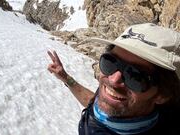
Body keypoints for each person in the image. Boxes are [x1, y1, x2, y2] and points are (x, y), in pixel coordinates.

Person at [47, 23, 180, 135]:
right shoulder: (117, 100)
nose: (113, 79)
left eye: (136, 75)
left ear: (163, 94)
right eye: (110, 61)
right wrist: (65, 77)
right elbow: (94, 101)